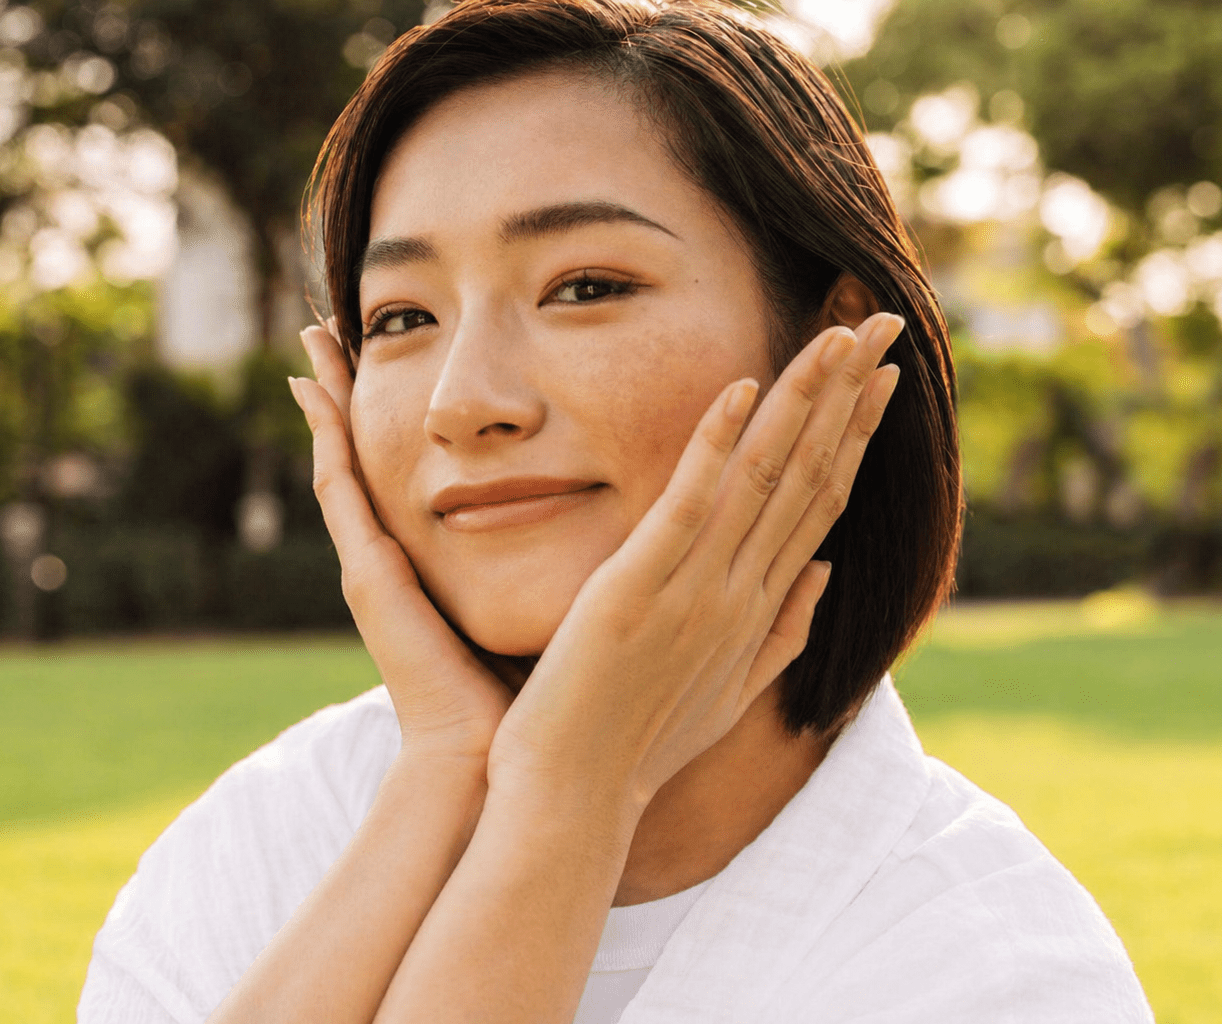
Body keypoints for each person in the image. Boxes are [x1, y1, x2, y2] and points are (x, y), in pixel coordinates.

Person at [80, 1, 1154, 1021]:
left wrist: (566, 792)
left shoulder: (993, 972)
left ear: (829, 344)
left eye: (584, 286)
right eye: (403, 315)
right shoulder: (253, 849)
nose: (462, 401)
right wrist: (457, 770)